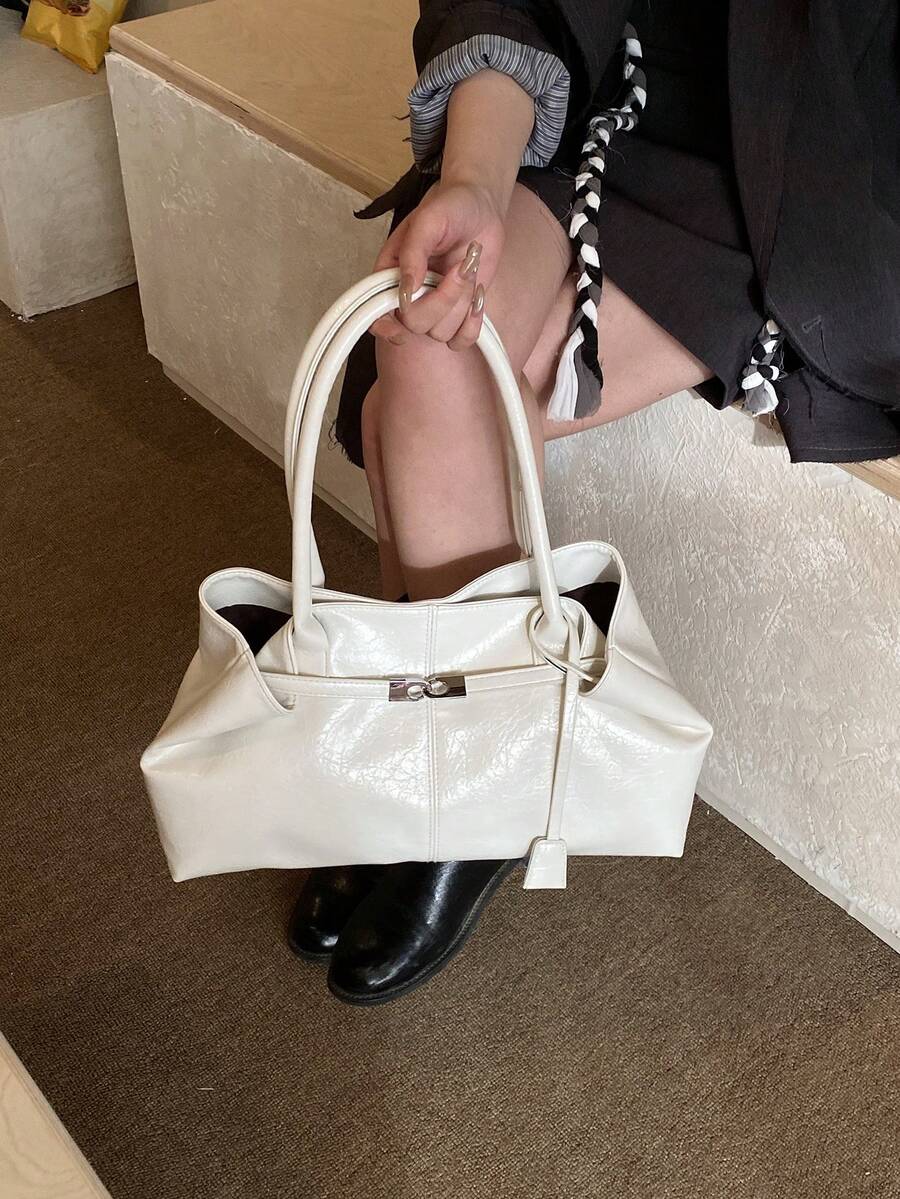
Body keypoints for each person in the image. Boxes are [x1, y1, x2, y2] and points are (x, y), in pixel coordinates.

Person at [288, 0, 900, 1006]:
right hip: (586, 116)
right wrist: (474, 179)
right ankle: (466, 748)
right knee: (428, 342)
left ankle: (454, 784)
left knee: (443, 387)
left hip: (786, 175)